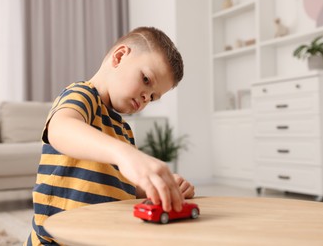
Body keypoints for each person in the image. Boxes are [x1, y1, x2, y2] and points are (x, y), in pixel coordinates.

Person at [24, 26, 195, 245]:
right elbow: (61, 128)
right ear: (120, 56)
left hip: (100, 236)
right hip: (56, 240)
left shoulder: (123, 130)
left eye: (153, 97)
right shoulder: (82, 95)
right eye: (145, 79)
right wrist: (125, 155)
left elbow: (122, 186)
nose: (145, 97)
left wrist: (159, 186)